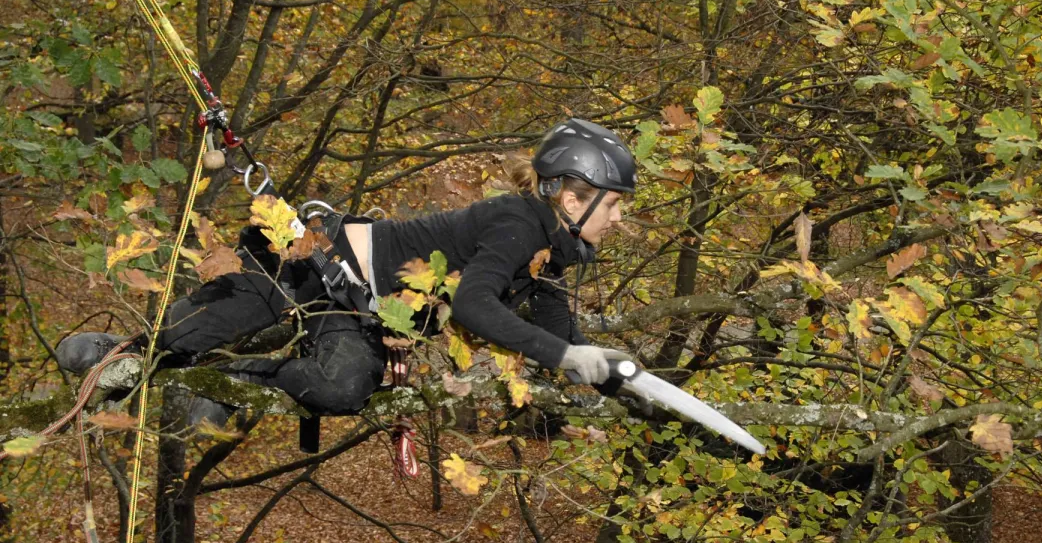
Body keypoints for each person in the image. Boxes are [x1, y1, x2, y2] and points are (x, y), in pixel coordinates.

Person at [57, 118, 637, 423]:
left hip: (357, 312)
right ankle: (115, 352)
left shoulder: (552, 254)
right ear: (570, 197)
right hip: (325, 265)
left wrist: (630, 385)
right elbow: (474, 306)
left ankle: (225, 382)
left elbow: (565, 336)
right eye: (612, 204)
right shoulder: (516, 223)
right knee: (199, 330)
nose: (617, 219)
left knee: (341, 389)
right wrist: (566, 358)